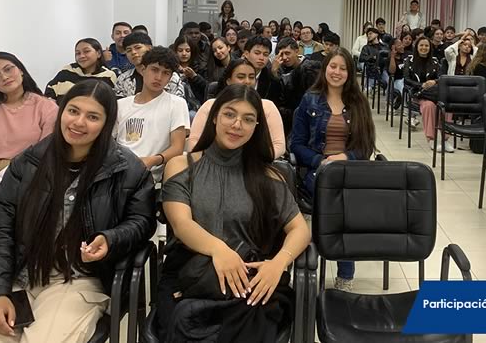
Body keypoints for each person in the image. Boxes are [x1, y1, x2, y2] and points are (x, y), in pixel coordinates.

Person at [0, 80, 156, 343]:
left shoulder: (128, 169)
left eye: (92, 117)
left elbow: (141, 222)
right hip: (18, 274)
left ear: (107, 124)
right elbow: (0, 229)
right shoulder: (28, 163)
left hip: (77, 280)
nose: (79, 122)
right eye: (73, 111)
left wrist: (111, 238)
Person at [155, 84, 310, 340]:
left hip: (249, 281)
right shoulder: (182, 166)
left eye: (248, 119)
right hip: (192, 278)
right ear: (214, 116)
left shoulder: (269, 176)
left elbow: (299, 229)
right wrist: (219, 250)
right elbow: (181, 224)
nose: (237, 124)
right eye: (229, 114)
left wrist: (279, 262)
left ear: (256, 127)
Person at [290, 48, 376, 291]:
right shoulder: (310, 100)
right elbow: (296, 144)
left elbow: (365, 146)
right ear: (325, 68)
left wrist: (344, 156)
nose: (336, 72)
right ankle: (315, 269)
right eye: (333, 66)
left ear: (350, 73)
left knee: (340, 206)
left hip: (351, 170)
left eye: (343, 68)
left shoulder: (358, 102)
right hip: (318, 172)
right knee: (339, 207)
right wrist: (321, 161)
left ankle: (341, 277)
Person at [115, 47, 189, 182]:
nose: (159, 77)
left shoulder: (177, 104)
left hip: (150, 177)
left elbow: (177, 147)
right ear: (143, 70)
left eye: (166, 73)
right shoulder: (121, 105)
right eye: (154, 70)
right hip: (118, 171)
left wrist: (152, 160)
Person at [188, 60, 286, 158]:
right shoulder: (210, 105)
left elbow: (279, 145)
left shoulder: (267, 107)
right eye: (241, 77)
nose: (247, 81)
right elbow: (194, 142)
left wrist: (255, 161)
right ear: (228, 81)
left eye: (251, 77)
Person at [404, 37, 452, 153]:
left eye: (426, 46)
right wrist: (422, 85)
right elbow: (406, 79)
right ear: (417, 47)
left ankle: (445, 139)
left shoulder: (435, 61)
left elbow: (441, 77)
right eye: (421, 45)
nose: (424, 48)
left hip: (435, 93)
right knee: (429, 106)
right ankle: (431, 139)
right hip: (418, 94)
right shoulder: (409, 61)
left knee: (447, 106)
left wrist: (434, 82)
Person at [113, 32, 184, 99]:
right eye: (129, 50)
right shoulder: (123, 79)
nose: (133, 52)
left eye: (138, 48)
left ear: (150, 48)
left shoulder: (171, 77)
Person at [45, 38, 117, 104]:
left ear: (98, 53)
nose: (81, 56)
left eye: (86, 51)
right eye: (78, 53)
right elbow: (50, 90)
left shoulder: (108, 76)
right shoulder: (67, 71)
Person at [170, 35, 204, 112]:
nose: (184, 54)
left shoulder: (200, 67)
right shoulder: (170, 67)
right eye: (180, 50)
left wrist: (194, 77)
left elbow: (206, 89)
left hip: (195, 106)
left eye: (187, 50)